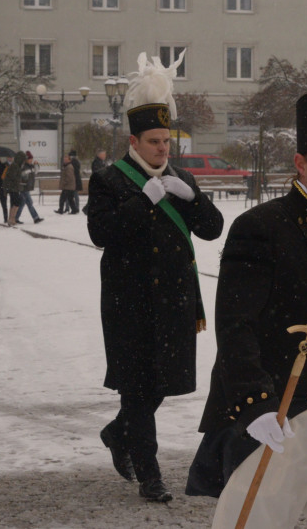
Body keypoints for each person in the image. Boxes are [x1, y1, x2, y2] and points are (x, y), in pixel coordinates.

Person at [187, 88, 307, 528]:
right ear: (301, 163)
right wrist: (255, 404)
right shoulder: (262, 226)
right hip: (280, 417)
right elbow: (235, 325)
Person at [87, 54, 223, 503]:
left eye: (167, 140)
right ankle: (151, 476)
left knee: (159, 385)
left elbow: (213, 228)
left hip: (176, 304)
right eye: (155, 141)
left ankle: (117, 433)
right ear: (134, 141)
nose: (164, 149)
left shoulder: (180, 178)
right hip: (129, 304)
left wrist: (194, 197)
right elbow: (101, 233)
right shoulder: (109, 180)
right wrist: (141, 201)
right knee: (137, 389)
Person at [19, 151, 44, 223]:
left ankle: (15, 218)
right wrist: (26, 176)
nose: (31, 160)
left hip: (27, 187)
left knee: (22, 204)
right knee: (30, 203)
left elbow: (36, 171)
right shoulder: (23, 166)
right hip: (24, 187)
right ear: (26, 159)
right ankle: (36, 218)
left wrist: (36, 165)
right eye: (29, 159)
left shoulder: (31, 166)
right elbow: (22, 175)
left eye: (31, 159)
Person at [3, 151, 26, 225]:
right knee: (16, 203)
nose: (24, 161)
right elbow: (12, 177)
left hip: (12, 187)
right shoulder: (15, 166)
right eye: (23, 160)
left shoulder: (15, 165)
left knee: (13, 203)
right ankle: (12, 219)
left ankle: (11, 219)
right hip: (13, 188)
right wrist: (18, 180)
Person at [69, 150, 83, 214]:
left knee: (73, 195)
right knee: (75, 194)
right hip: (76, 180)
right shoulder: (77, 162)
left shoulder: (73, 162)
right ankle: (76, 207)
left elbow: (74, 172)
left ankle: (75, 208)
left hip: (74, 180)